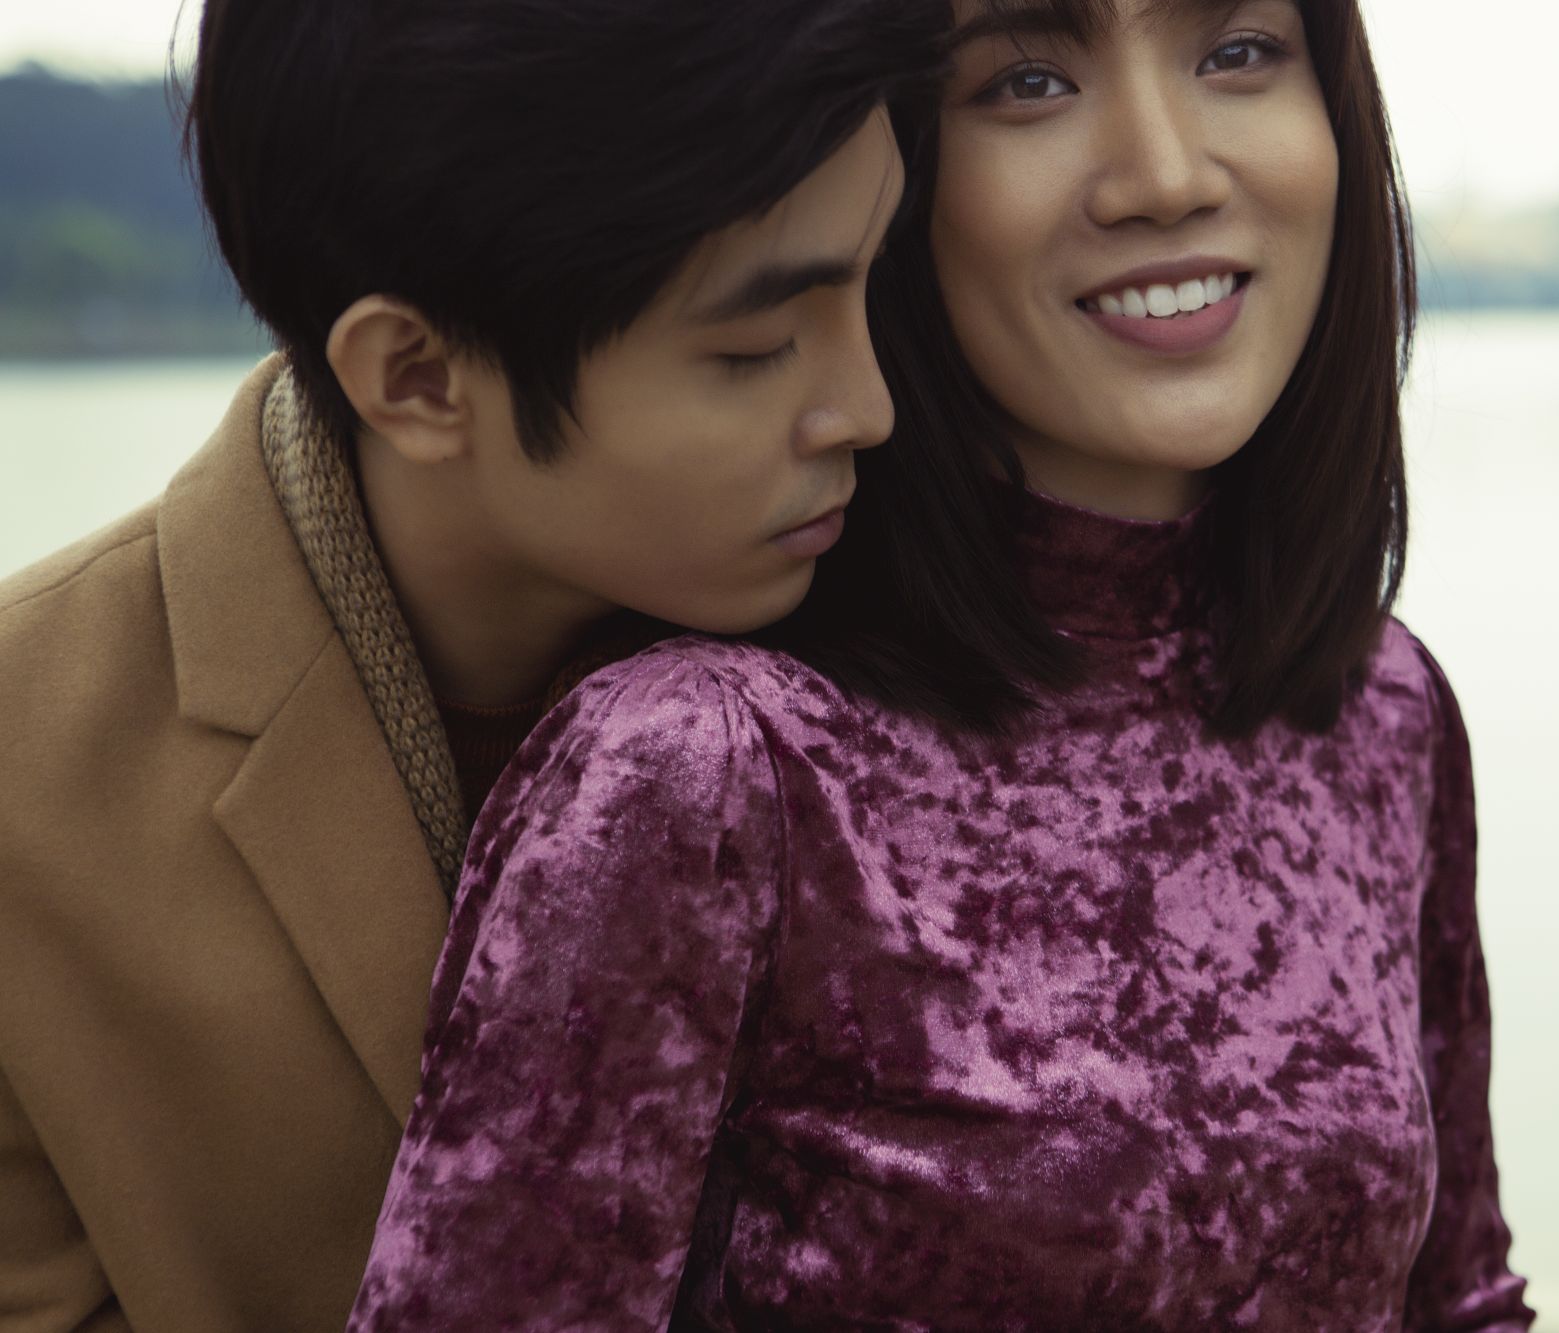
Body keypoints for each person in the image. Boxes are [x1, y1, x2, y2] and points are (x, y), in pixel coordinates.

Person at [350, 0, 1535, 1327]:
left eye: (1241, 51)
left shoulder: (1380, 703)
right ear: (884, 171)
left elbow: (1459, 1300)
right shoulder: (707, 762)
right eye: (1027, 81)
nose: (1166, 176)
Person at [0, 0, 937, 1326]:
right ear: (418, 377)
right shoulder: (25, 776)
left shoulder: (956, 620)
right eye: (756, 348)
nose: (872, 406)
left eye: (874, 284)